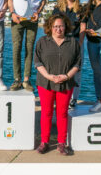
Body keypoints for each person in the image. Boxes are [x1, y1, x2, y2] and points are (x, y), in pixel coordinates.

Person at [34, 14, 80, 155]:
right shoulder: (42, 41)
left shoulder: (73, 42)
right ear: (50, 27)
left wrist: (66, 76)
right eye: (55, 26)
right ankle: (44, 142)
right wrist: (49, 76)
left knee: (62, 113)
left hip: (66, 84)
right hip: (45, 83)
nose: (58, 29)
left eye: (61, 26)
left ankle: (61, 143)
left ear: (66, 27)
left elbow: (77, 64)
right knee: (46, 112)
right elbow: (37, 62)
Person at [8, 0, 46, 91]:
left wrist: (38, 12)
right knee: (16, 49)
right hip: (17, 18)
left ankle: (26, 80)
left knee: (30, 49)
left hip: (32, 19)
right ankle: (16, 79)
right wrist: (12, 13)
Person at [52, 0, 86, 109]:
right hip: (61, 43)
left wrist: (80, 43)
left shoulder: (81, 9)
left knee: (76, 71)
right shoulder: (58, 8)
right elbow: (53, 26)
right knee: (60, 69)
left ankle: (73, 99)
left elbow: (83, 27)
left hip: (76, 42)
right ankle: (60, 96)